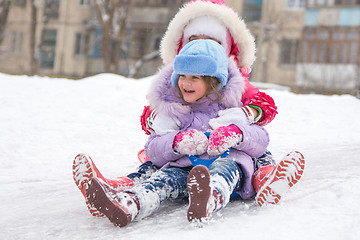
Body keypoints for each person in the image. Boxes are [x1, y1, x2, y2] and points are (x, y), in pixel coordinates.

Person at [84, 39, 272, 227]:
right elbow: (153, 149)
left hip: (228, 162)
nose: (186, 83)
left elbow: (261, 140)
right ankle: (131, 204)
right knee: (163, 180)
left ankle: (209, 199)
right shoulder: (175, 111)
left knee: (224, 171)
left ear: (214, 80)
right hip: (186, 169)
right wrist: (176, 142)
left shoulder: (231, 108)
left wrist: (235, 134)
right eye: (182, 76)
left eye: (195, 78)